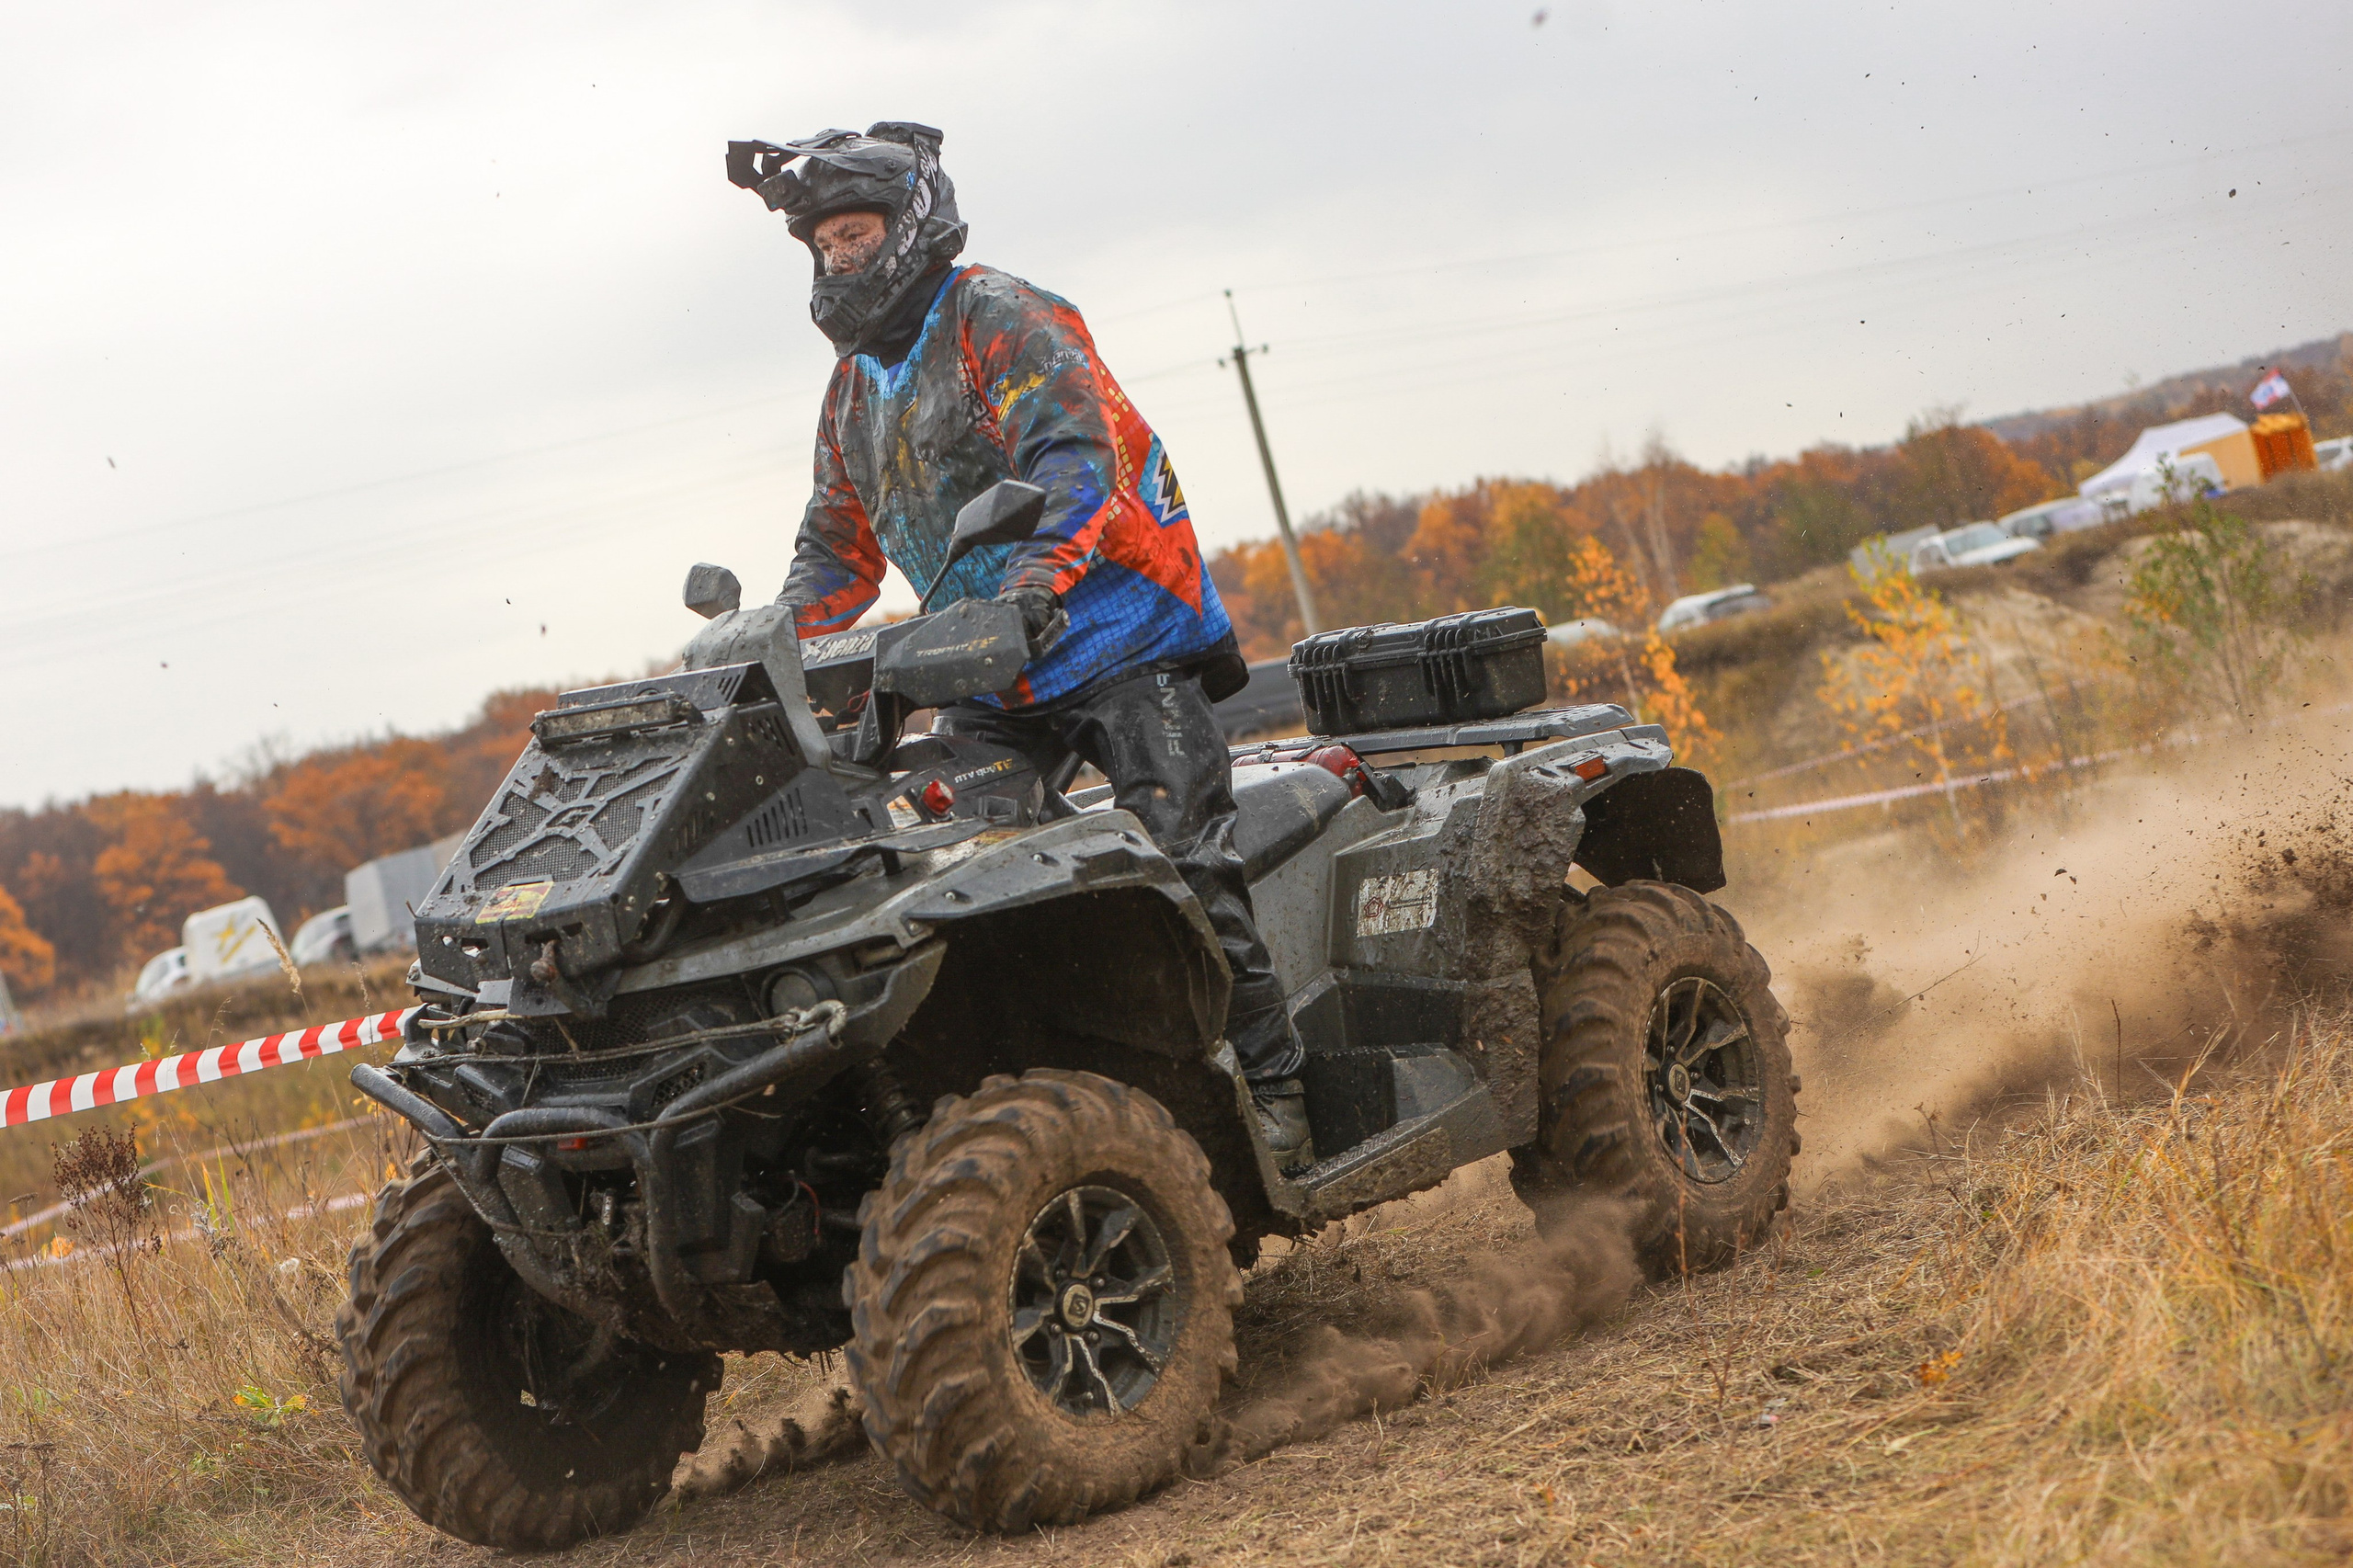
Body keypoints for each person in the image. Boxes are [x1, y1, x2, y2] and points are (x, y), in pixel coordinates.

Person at [726, 122, 1313, 1171]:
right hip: (984, 666)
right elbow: (836, 549)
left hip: (1122, 633)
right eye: (820, 246)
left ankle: (1278, 1090)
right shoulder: (855, 386)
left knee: (1181, 860)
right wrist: (770, 650)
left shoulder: (1000, 315)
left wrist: (1041, 576)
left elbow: (1076, 460)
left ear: (909, 225)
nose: (835, 261)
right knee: (952, 875)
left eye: (852, 235)